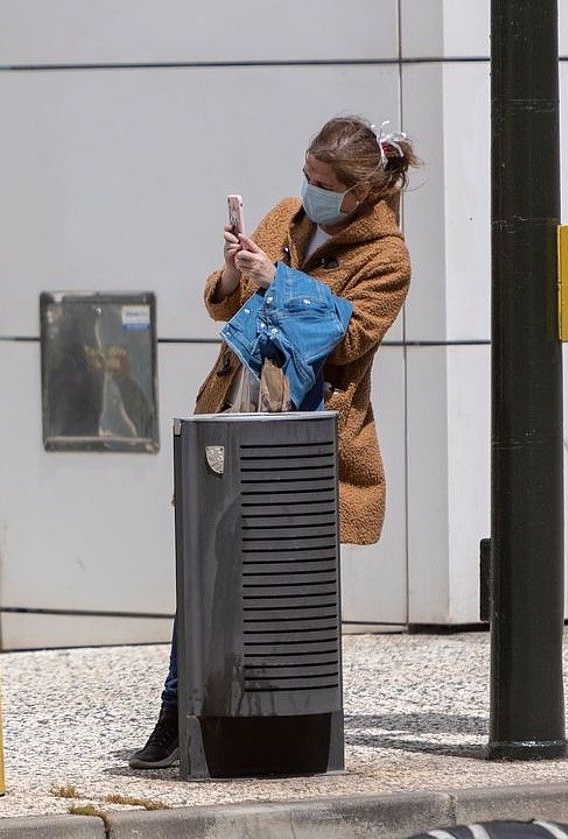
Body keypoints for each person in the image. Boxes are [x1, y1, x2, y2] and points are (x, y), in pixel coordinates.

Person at [129, 116, 419, 769]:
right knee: (203, 566)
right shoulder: (287, 216)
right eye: (305, 176)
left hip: (307, 439)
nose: (306, 191)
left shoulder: (387, 257)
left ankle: (276, 726)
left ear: (360, 190)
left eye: (321, 183)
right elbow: (225, 304)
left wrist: (275, 281)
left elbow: (349, 340)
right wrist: (236, 272)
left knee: (283, 585)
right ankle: (176, 712)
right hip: (232, 411)